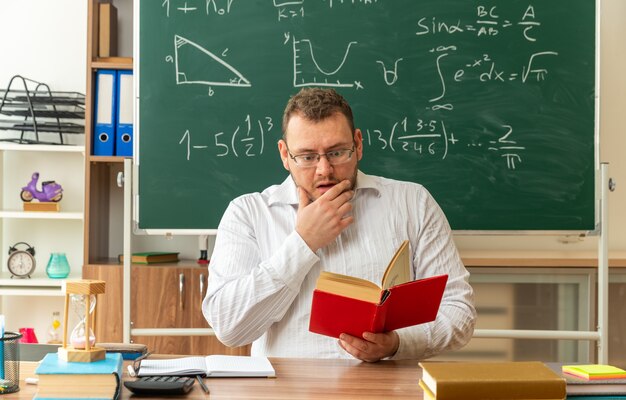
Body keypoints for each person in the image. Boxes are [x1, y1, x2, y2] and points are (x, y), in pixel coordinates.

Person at [203, 88, 476, 362]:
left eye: (337, 152)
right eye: (307, 157)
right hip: (286, 390)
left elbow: (458, 311)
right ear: (285, 155)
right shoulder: (248, 213)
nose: (324, 170)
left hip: (386, 389)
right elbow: (229, 328)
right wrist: (303, 243)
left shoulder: (413, 202)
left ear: (358, 144)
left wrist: (397, 343)